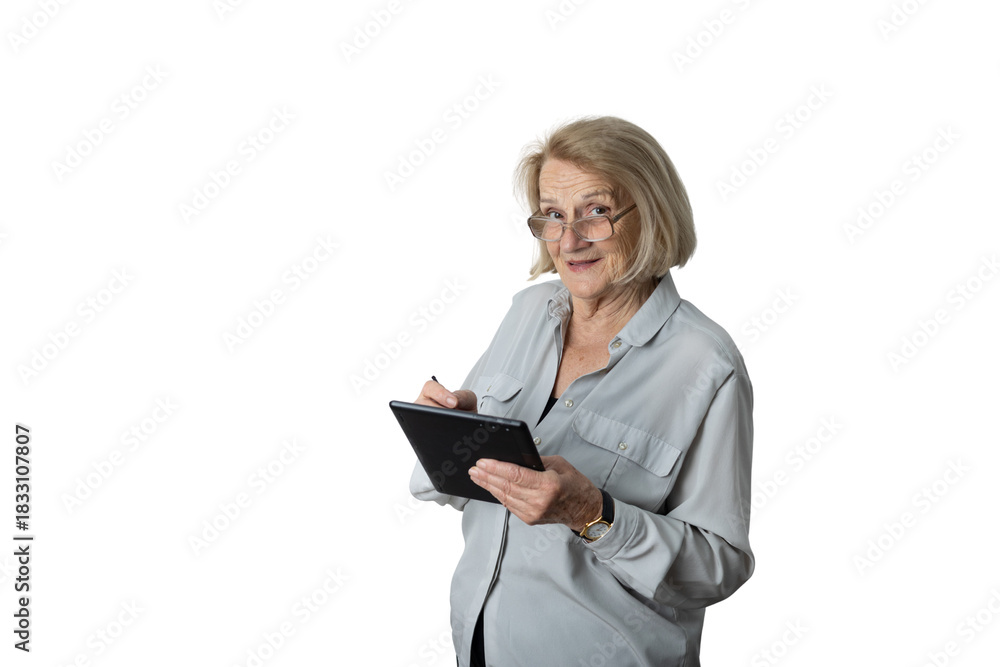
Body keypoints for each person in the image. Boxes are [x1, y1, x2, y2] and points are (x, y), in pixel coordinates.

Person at [409, 116, 754, 666]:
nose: (569, 241)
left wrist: (593, 514)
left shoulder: (706, 364)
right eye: (553, 215)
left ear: (651, 212)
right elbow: (462, 490)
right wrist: (455, 434)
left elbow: (719, 566)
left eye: (596, 211)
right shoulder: (527, 313)